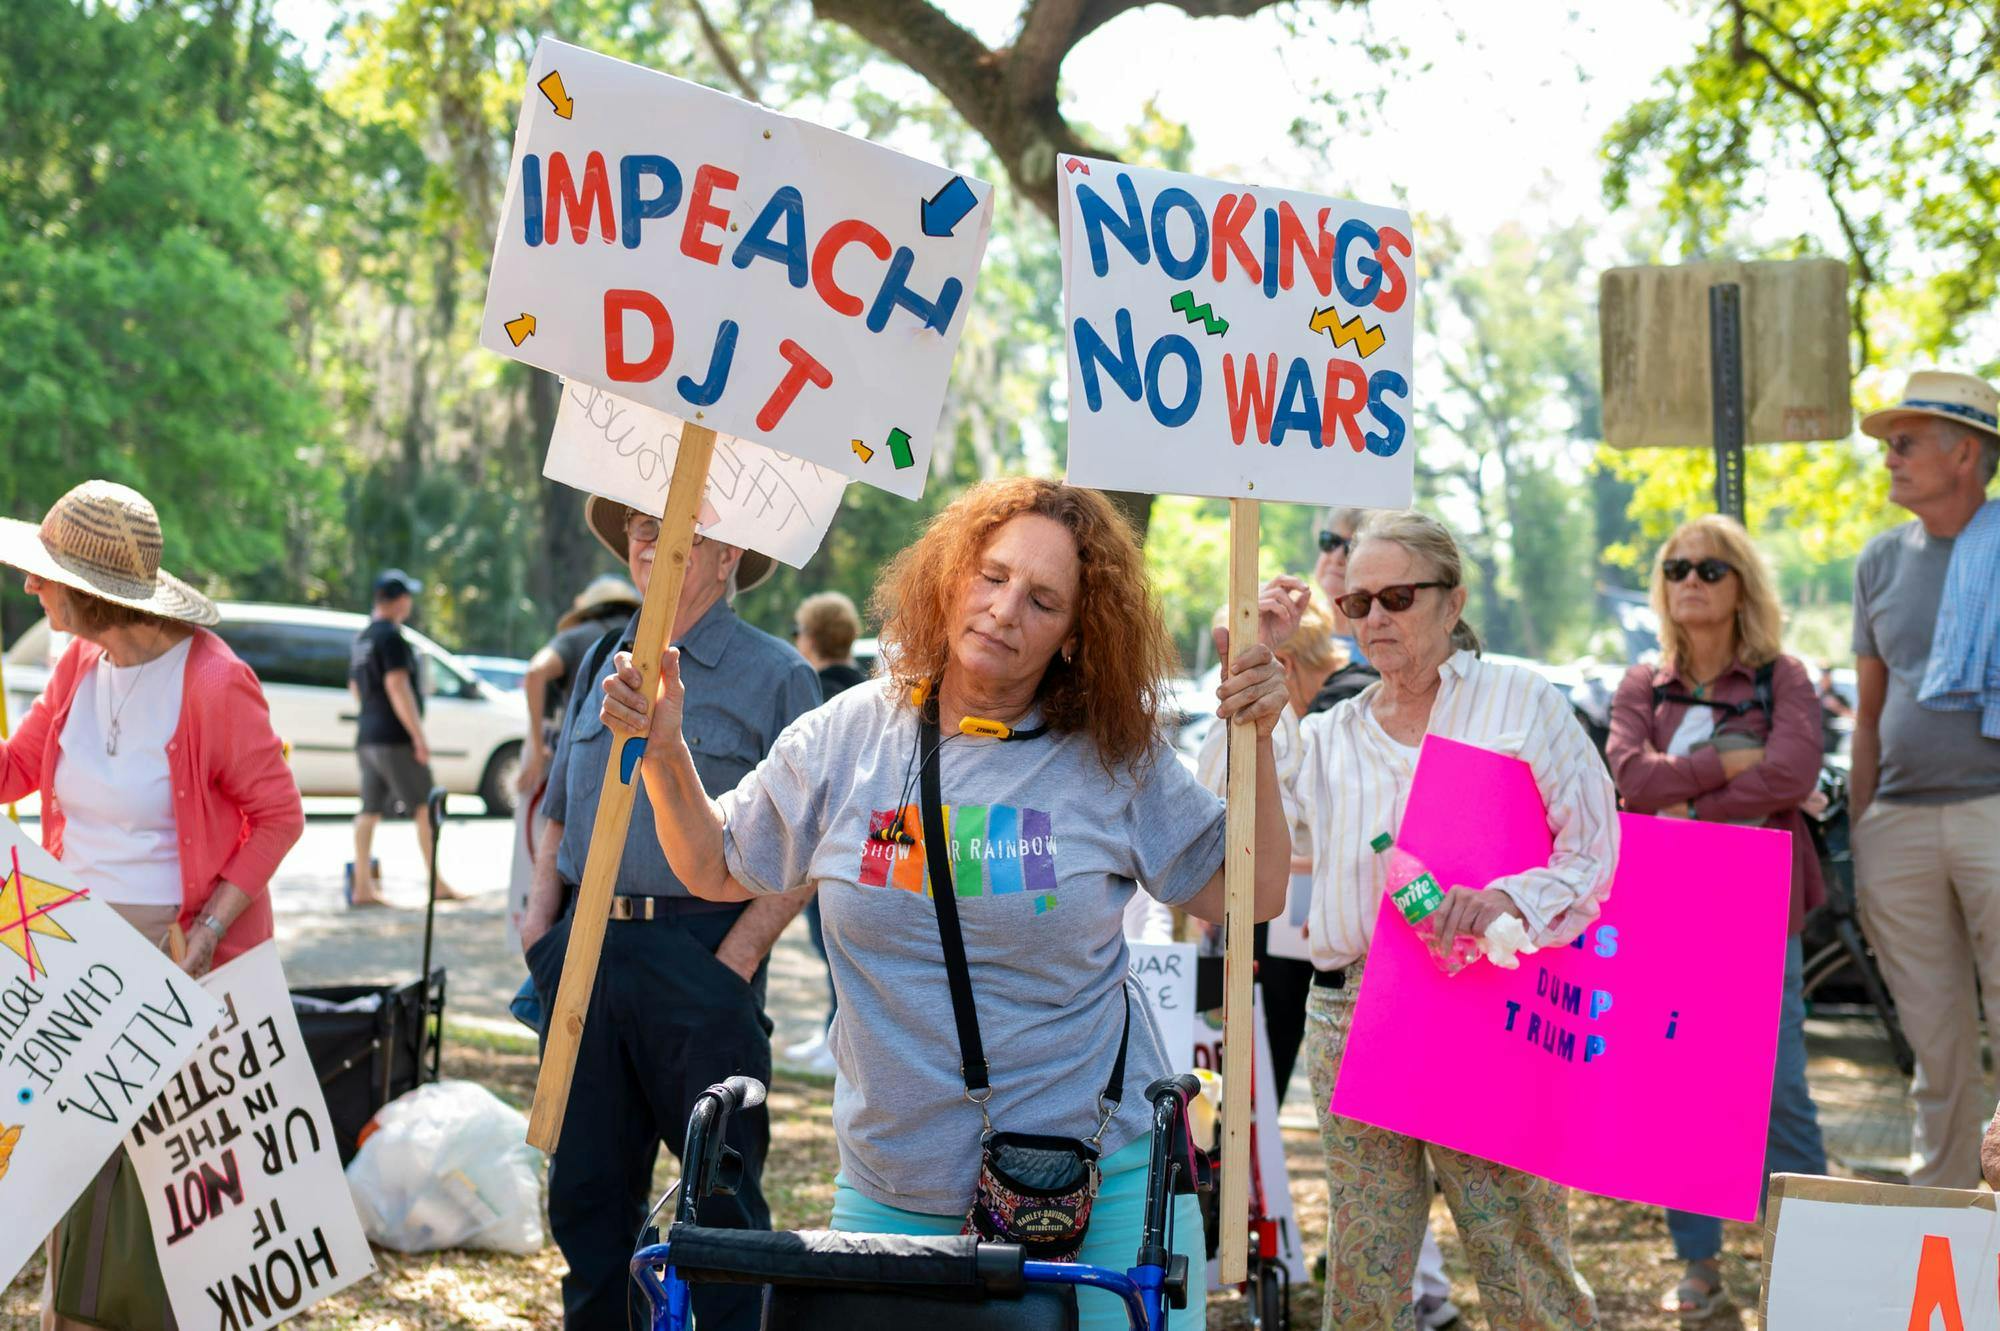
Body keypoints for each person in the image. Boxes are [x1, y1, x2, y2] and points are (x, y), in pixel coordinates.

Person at [601, 477, 1294, 1331]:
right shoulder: (850, 734)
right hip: (895, 1190)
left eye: (1043, 600)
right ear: (950, 574)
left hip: (1093, 1191)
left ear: (1079, 636)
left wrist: (1257, 734)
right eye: (991, 575)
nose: (1005, 610)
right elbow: (714, 863)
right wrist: (666, 751)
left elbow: (1252, 892)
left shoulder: (1115, 755)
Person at [1266, 509, 1616, 1330]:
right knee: (1365, 1266)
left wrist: (1510, 899)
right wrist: (1263, 669)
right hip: (1351, 1007)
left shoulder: (1519, 702)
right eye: (1357, 604)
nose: (1376, 618)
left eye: (1397, 596)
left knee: (1522, 1253)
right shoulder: (1328, 734)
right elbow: (1234, 815)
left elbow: (1596, 847)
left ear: (1451, 603)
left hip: (1484, 1003)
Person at [0, 480, 304, 1331]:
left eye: (46, 574)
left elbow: (279, 815)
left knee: (156, 1186)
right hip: (70, 950)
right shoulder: (77, 665)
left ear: (96, 594)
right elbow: (17, 768)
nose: (32, 586)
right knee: (68, 1164)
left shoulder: (213, 681)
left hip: (171, 954)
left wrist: (206, 933)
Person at [518, 495, 820, 1331]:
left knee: (716, 1212)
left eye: (684, 527)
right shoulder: (598, 660)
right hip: (584, 955)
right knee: (586, 1201)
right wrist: (542, 920)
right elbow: (556, 808)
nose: (655, 541)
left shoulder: (778, 675)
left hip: (702, 957)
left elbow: (809, 842)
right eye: (643, 527)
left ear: (731, 557)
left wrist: (738, 958)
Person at [1605, 514, 1828, 1319]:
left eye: (1709, 568)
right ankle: (1700, 1264)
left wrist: (1687, 798)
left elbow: (1795, 769)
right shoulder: (1642, 683)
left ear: (1742, 584)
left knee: (1781, 1090)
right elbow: (1628, 773)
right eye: (1675, 568)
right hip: (1667, 909)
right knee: (1679, 1087)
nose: (1690, 581)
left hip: (1760, 907)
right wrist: (1725, 768)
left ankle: (1812, 1257)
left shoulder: (1783, 676)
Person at [1849, 369, 2000, 1189]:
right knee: (1934, 1042)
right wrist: (1865, 823)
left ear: (1964, 452)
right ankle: (1941, 1212)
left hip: (1994, 813)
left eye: (1904, 444)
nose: (1889, 461)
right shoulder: (1877, 561)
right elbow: (1869, 713)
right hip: (1898, 824)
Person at [784, 589, 869, 1076]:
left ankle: (837, 1040)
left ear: (810, 637)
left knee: (831, 945)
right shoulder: (867, 688)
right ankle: (830, 1035)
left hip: (825, 843)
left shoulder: (810, 693)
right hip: (869, 845)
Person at [347, 568, 459, 906]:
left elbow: (355, 688)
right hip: (395, 738)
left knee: (368, 811)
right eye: (407, 595)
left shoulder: (363, 638)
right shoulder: (392, 637)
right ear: (397, 601)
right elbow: (398, 686)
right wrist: (418, 737)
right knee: (425, 807)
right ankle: (436, 884)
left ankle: (363, 886)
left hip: (368, 735)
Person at [520, 576, 641, 796]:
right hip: (631, 762)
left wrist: (537, 749)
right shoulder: (643, 641)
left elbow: (535, 672)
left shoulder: (575, 637)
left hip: (579, 760)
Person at [1314, 506, 1370, 666]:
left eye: (1352, 548)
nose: (1336, 557)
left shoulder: (1381, 644)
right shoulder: (1294, 626)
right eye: (1330, 541)